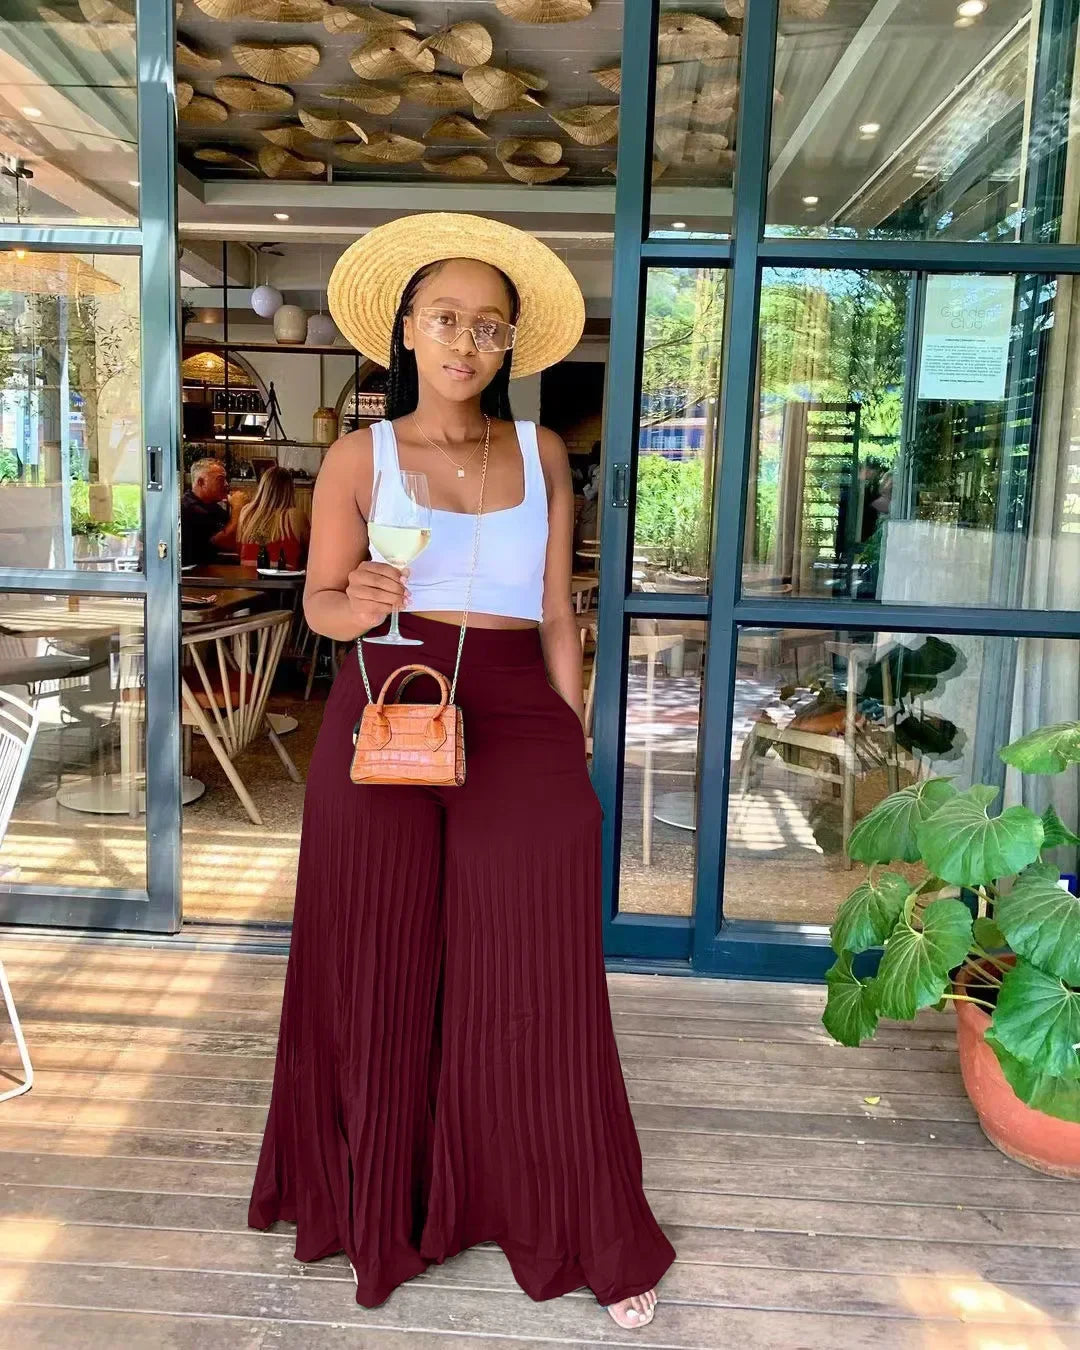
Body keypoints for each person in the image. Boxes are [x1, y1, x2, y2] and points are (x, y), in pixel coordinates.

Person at [247, 213, 675, 1330]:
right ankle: (378, 1205)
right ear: (406, 327)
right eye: (445, 318)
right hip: (386, 704)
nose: (465, 341)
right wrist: (359, 599)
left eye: (489, 326)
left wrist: (573, 739)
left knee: (535, 967)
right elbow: (319, 605)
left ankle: (577, 1215)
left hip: (520, 711)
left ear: (509, 344)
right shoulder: (359, 457)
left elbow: (557, 612)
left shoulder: (541, 452)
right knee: (377, 957)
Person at [236, 465, 310, 569]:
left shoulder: (246, 512)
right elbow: (311, 554)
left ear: (262, 487)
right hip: (284, 578)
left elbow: (239, 549)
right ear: (289, 490)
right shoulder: (295, 516)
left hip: (248, 578)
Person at [181, 457, 241, 565]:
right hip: (197, 573)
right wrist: (238, 508)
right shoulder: (188, 509)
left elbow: (237, 541)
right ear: (201, 482)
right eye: (220, 480)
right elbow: (226, 542)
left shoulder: (215, 508)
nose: (226, 484)